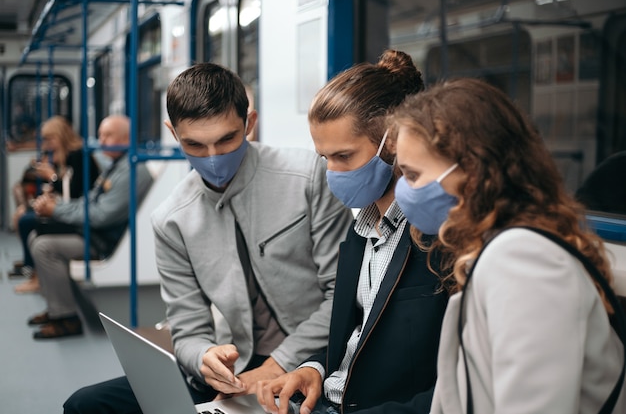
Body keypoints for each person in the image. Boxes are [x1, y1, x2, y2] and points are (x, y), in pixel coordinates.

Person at [62, 63, 354, 414]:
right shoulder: (172, 220)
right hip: (235, 364)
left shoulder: (307, 177)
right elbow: (187, 331)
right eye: (195, 145)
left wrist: (275, 366)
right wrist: (205, 358)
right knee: (85, 405)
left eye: (227, 139)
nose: (214, 158)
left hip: (311, 355)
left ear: (250, 123)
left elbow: (342, 295)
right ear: (174, 133)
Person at [390, 77, 626, 413]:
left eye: (412, 176)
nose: (404, 192)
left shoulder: (524, 260)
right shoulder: (500, 249)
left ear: (472, 171)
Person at [256, 49, 450, 414]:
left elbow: (450, 389)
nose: (333, 173)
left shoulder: (435, 237)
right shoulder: (358, 231)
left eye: (344, 156)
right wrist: (313, 368)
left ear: (391, 142)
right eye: (324, 158)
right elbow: (359, 335)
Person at [26, 115, 153, 339]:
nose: (101, 140)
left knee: (44, 246)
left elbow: (102, 215)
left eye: (108, 135)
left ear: (126, 138)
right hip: (94, 232)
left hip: (103, 240)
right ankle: (56, 306)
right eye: (101, 134)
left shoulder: (133, 172)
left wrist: (56, 210)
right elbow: (89, 201)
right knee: (36, 235)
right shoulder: (115, 166)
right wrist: (58, 206)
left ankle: (66, 319)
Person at [11, 115, 100, 293]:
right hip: (68, 207)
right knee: (26, 216)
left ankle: (36, 275)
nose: (47, 144)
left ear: (61, 136)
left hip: (77, 213)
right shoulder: (64, 157)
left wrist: (51, 177)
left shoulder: (79, 157)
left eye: (50, 139)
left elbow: (74, 193)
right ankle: (35, 272)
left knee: (29, 221)